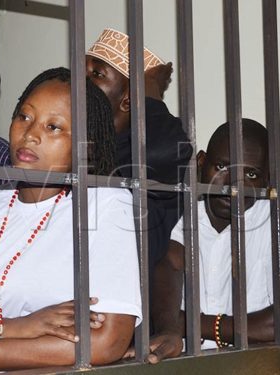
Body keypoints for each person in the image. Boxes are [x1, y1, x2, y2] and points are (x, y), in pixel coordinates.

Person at [0, 67, 140, 370]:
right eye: (24, 117)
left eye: (54, 127)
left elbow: (106, 341)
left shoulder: (102, 204)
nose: (30, 135)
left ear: (86, 146)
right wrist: (23, 326)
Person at [138, 119, 280, 363]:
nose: (232, 186)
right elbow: (171, 265)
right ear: (200, 163)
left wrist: (190, 324)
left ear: (267, 181)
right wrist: (171, 328)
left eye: (250, 174)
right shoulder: (181, 215)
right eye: (221, 167)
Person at [86, 27, 193, 310]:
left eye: (97, 74)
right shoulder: (80, 153)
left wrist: (150, 92)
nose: (81, 81)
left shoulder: (145, 155)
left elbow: (167, 151)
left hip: (122, 321)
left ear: (128, 100)